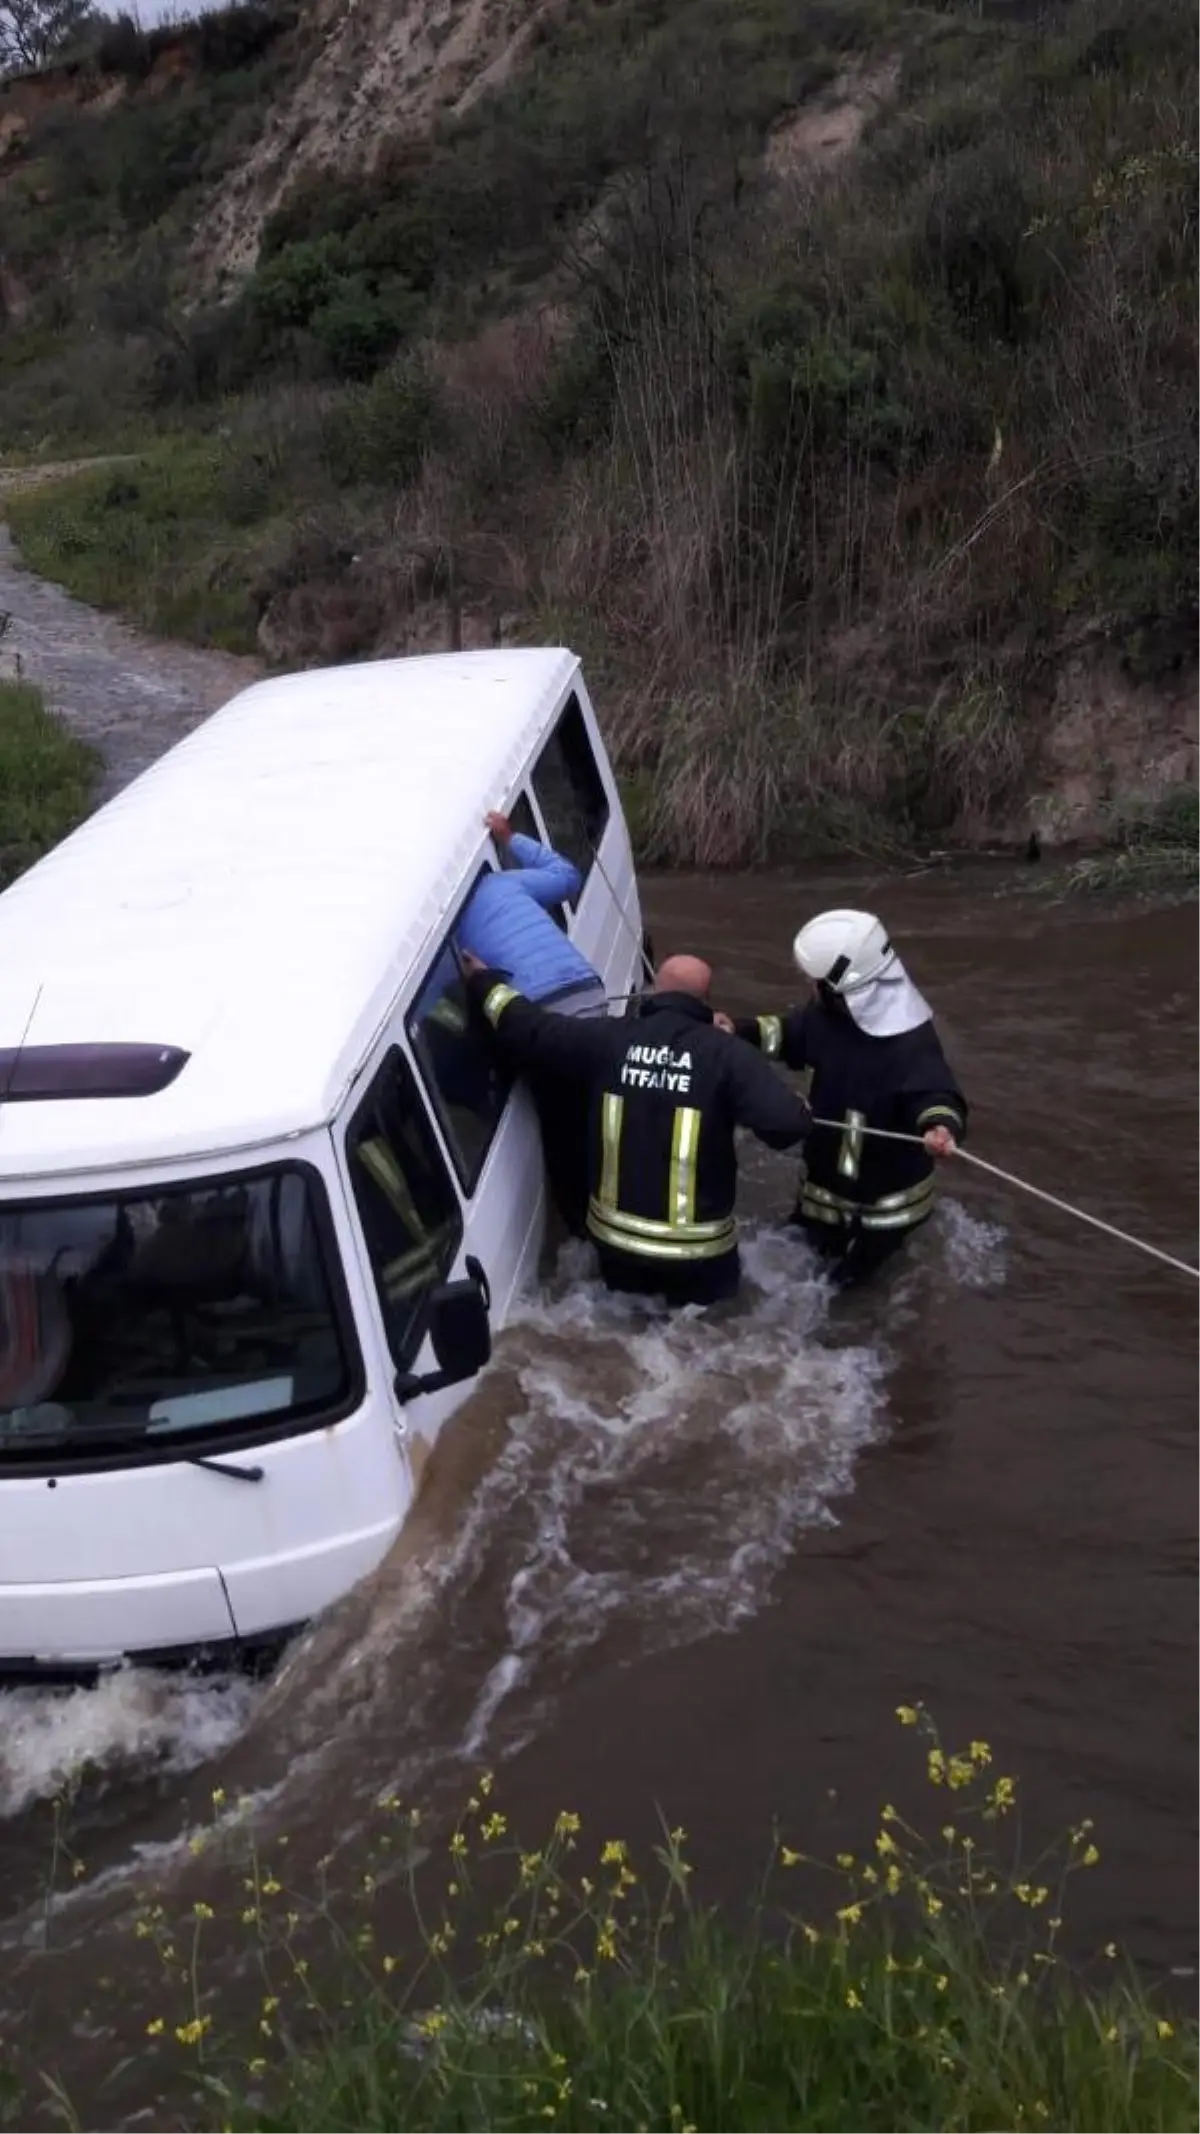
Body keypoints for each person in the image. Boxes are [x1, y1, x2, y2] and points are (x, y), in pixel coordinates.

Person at [463, 951, 812, 1308]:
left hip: (619, 1249)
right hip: (699, 1257)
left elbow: (528, 1028)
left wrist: (484, 982)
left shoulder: (607, 1039)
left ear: (653, 991)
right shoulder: (729, 1056)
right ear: (706, 1001)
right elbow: (786, 1126)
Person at [724, 908, 967, 1288]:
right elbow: (789, 1035)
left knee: (852, 1290)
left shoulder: (911, 1041)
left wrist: (940, 1126)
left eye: (814, 979)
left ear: (842, 986)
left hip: (884, 1208)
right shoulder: (826, 1016)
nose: (807, 983)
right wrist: (739, 1030)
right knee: (787, 1273)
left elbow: (936, 1093)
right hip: (824, 1189)